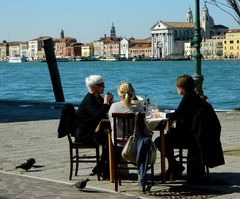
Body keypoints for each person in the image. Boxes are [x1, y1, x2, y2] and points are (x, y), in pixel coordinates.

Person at [154, 75, 203, 179]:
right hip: (193, 133)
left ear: (182, 87)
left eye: (177, 86)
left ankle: (174, 165)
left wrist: (161, 114)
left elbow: (176, 115)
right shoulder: (193, 96)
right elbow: (181, 112)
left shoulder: (188, 98)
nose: (176, 88)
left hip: (188, 136)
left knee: (159, 141)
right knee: (167, 137)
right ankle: (173, 166)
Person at [75, 75, 113, 179]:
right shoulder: (89, 99)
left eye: (103, 85)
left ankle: (102, 168)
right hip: (84, 134)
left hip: (93, 131)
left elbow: (105, 111)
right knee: (110, 141)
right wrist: (105, 102)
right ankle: (104, 169)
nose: (104, 87)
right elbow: (98, 114)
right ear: (93, 87)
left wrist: (110, 103)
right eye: (101, 85)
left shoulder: (97, 98)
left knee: (111, 140)